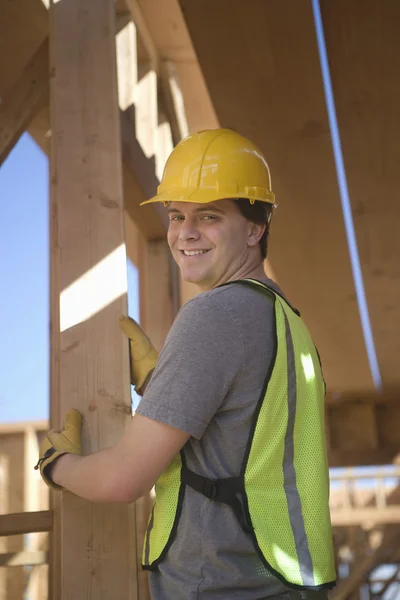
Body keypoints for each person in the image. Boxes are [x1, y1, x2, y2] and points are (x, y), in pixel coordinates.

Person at [36, 128, 336, 599]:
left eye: (210, 216)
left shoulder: (215, 314)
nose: (185, 232)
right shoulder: (284, 320)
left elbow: (123, 479)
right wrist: (163, 380)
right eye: (176, 215)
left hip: (221, 587)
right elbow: (241, 433)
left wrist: (58, 466)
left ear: (256, 228)